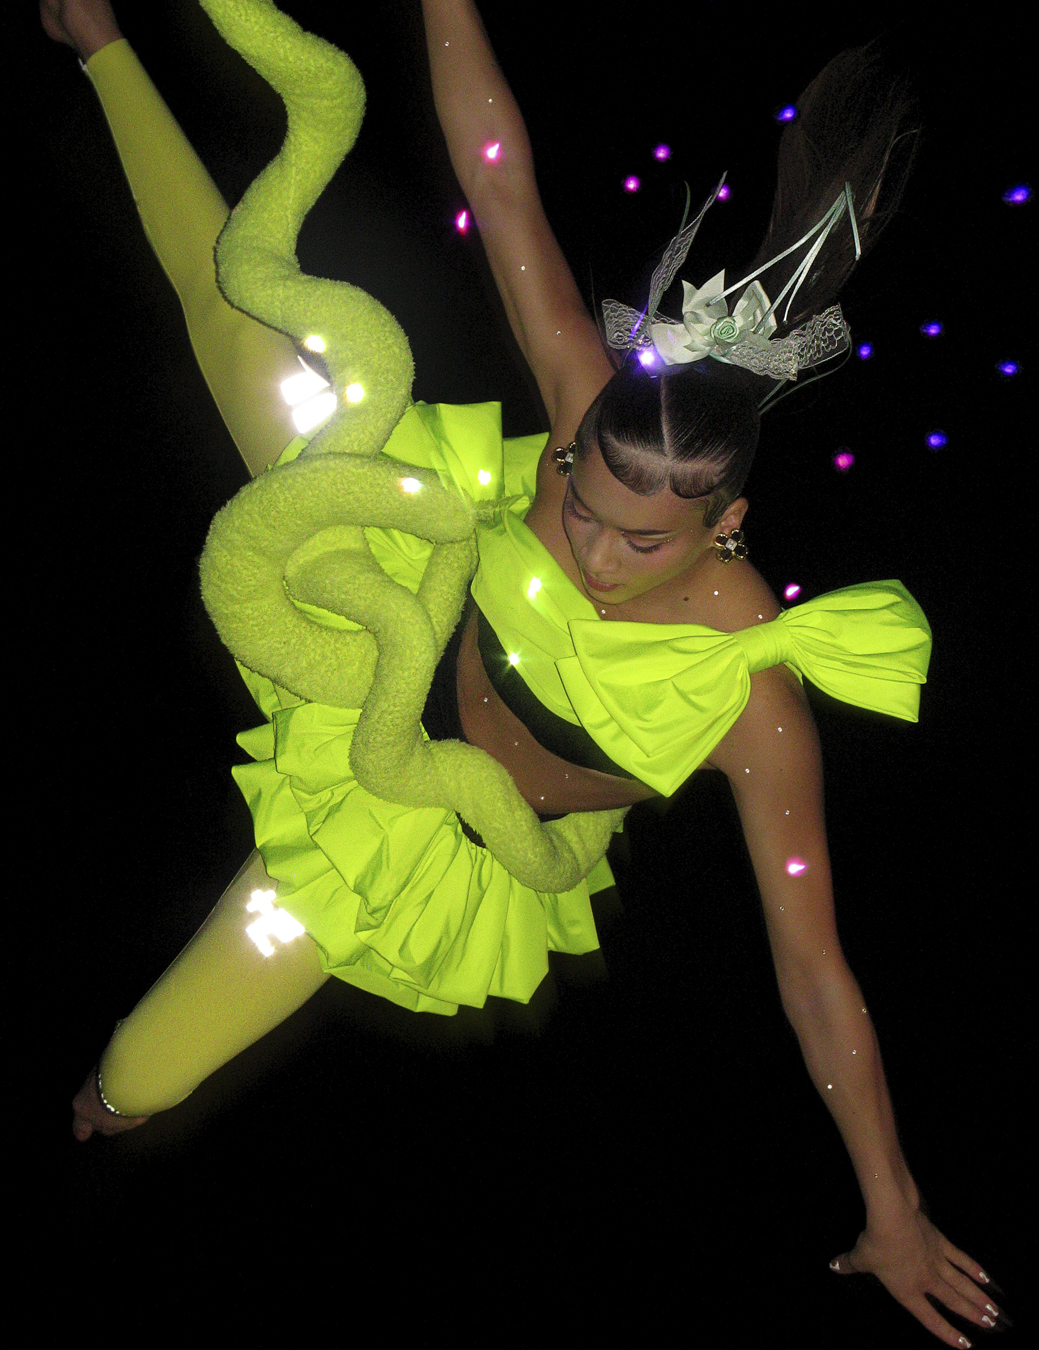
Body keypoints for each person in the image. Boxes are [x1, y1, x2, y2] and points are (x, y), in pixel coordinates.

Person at [47, 1, 1004, 1343]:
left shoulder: (752, 698)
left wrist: (891, 1203)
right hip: (387, 623)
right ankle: (99, 40)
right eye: (582, 497)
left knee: (142, 1064)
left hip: (424, 842)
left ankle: (103, 1108)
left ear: (724, 527)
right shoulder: (578, 402)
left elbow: (816, 973)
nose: (600, 549)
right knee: (252, 338)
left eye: (644, 538)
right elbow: (499, 178)